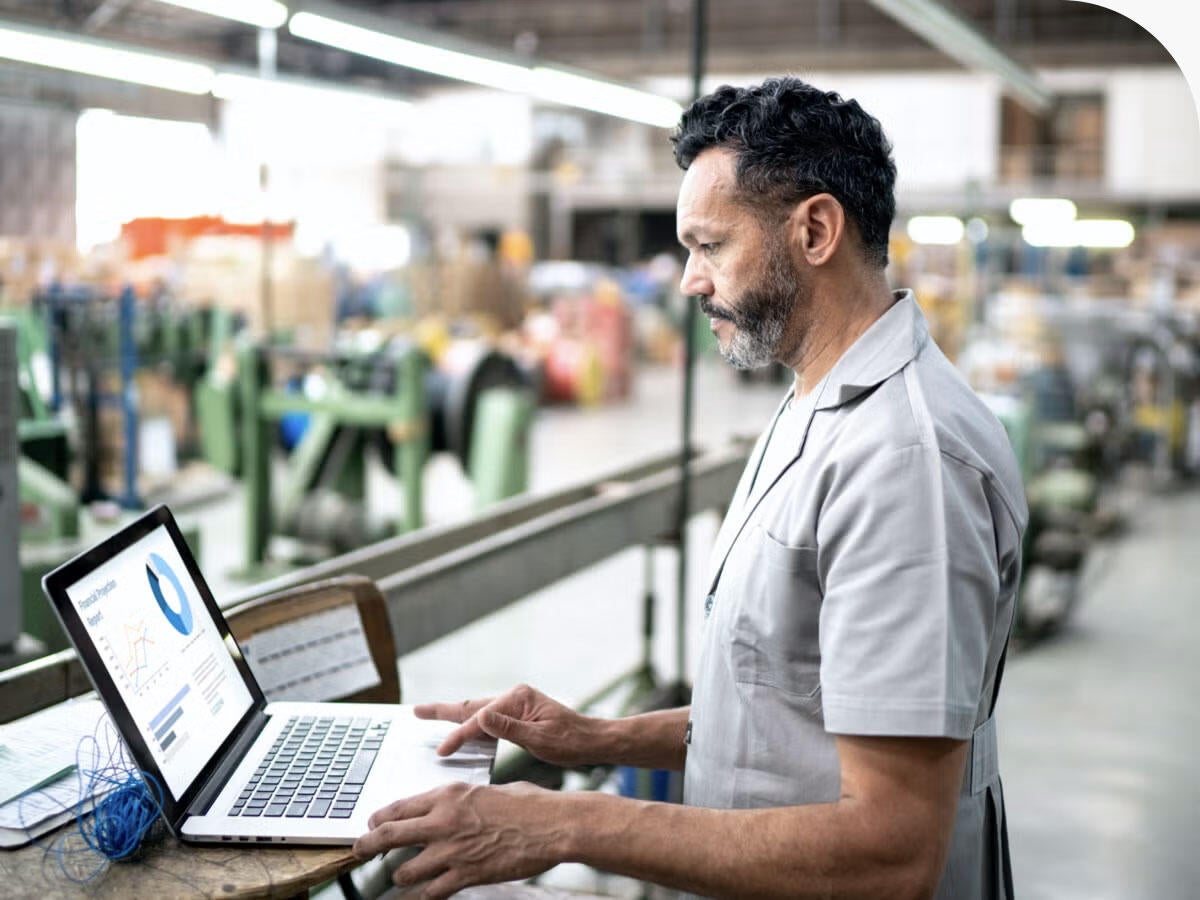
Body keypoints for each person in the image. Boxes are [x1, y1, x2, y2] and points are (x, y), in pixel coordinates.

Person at [353, 76, 1028, 900]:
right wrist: (600, 736)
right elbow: (790, 713)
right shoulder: (819, 397)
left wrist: (569, 824)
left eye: (709, 246)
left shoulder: (904, 461)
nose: (688, 282)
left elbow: (892, 850)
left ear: (815, 229)